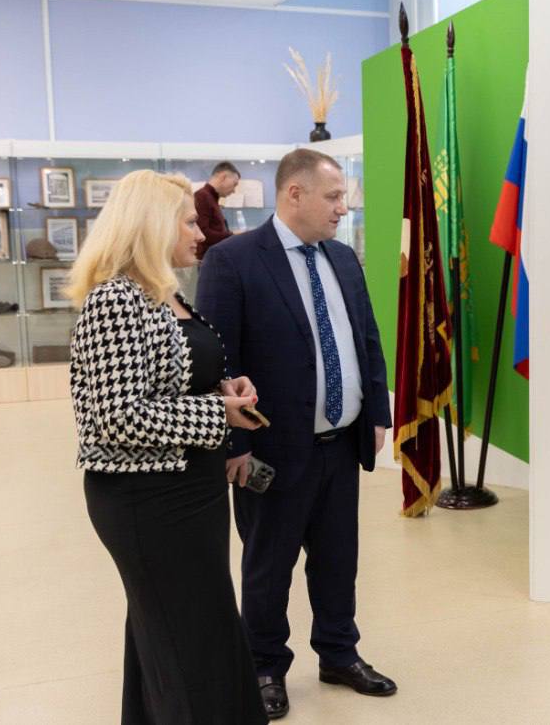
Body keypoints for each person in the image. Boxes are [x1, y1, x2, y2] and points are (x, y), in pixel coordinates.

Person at [197, 148, 395, 720]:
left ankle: (339, 653)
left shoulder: (343, 258)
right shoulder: (233, 261)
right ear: (294, 194)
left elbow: (366, 338)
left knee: (338, 559)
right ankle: (263, 666)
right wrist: (236, 446)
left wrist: (376, 412)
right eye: (333, 197)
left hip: (341, 442)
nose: (342, 208)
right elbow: (218, 361)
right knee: (268, 565)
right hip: (272, 450)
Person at [66, 170, 267, 724]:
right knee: (186, 638)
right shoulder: (115, 300)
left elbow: (169, 379)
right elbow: (116, 416)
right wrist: (217, 413)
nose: (201, 233)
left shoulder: (163, 293)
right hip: (148, 500)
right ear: (153, 225)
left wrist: (222, 387)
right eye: (189, 222)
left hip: (190, 490)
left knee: (176, 631)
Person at [195, 161, 241, 260]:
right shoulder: (202, 197)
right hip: (207, 260)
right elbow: (203, 234)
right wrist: (232, 236)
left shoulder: (211, 198)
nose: (234, 190)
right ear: (223, 177)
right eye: (234, 184)